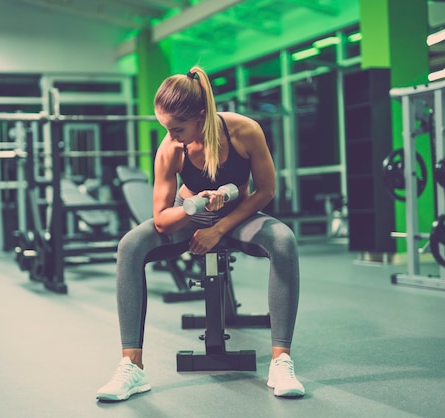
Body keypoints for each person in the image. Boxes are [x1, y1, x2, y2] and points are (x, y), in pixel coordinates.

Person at [96, 66, 305, 401]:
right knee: (130, 245)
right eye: (166, 128)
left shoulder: (244, 131)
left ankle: (281, 361)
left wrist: (220, 226)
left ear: (202, 116)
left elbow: (265, 191)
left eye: (177, 128)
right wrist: (195, 205)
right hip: (189, 215)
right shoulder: (171, 148)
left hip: (236, 217)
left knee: (283, 240)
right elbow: (162, 220)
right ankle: (132, 367)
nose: (171, 136)